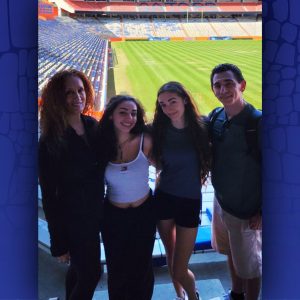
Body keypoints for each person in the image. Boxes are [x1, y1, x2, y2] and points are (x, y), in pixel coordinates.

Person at [38, 69, 104, 300]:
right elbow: (49, 195)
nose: (78, 96)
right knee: (92, 272)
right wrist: (59, 241)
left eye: (80, 90)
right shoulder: (50, 140)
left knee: (78, 270)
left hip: (95, 214)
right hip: (73, 219)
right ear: (58, 98)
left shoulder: (92, 125)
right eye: (69, 93)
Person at [152, 81, 211, 300]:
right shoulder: (157, 130)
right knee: (170, 253)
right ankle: (180, 296)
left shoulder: (203, 127)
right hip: (164, 198)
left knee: (180, 266)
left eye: (172, 101)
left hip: (190, 201)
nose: (168, 108)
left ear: (185, 99)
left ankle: (193, 296)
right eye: (163, 104)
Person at [209, 63, 262, 300]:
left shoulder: (257, 123)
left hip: (247, 210)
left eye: (228, 83)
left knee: (251, 266)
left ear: (242, 85)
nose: (223, 90)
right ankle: (235, 294)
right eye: (217, 85)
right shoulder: (216, 117)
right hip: (222, 203)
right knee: (231, 252)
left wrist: (262, 211)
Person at [97, 95, 156, 300]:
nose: (129, 117)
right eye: (123, 112)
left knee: (143, 267)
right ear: (111, 115)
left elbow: (164, 168)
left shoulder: (145, 140)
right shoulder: (101, 144)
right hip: (113, 216)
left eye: (133, 113)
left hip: (144, 213)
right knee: (116, 267)